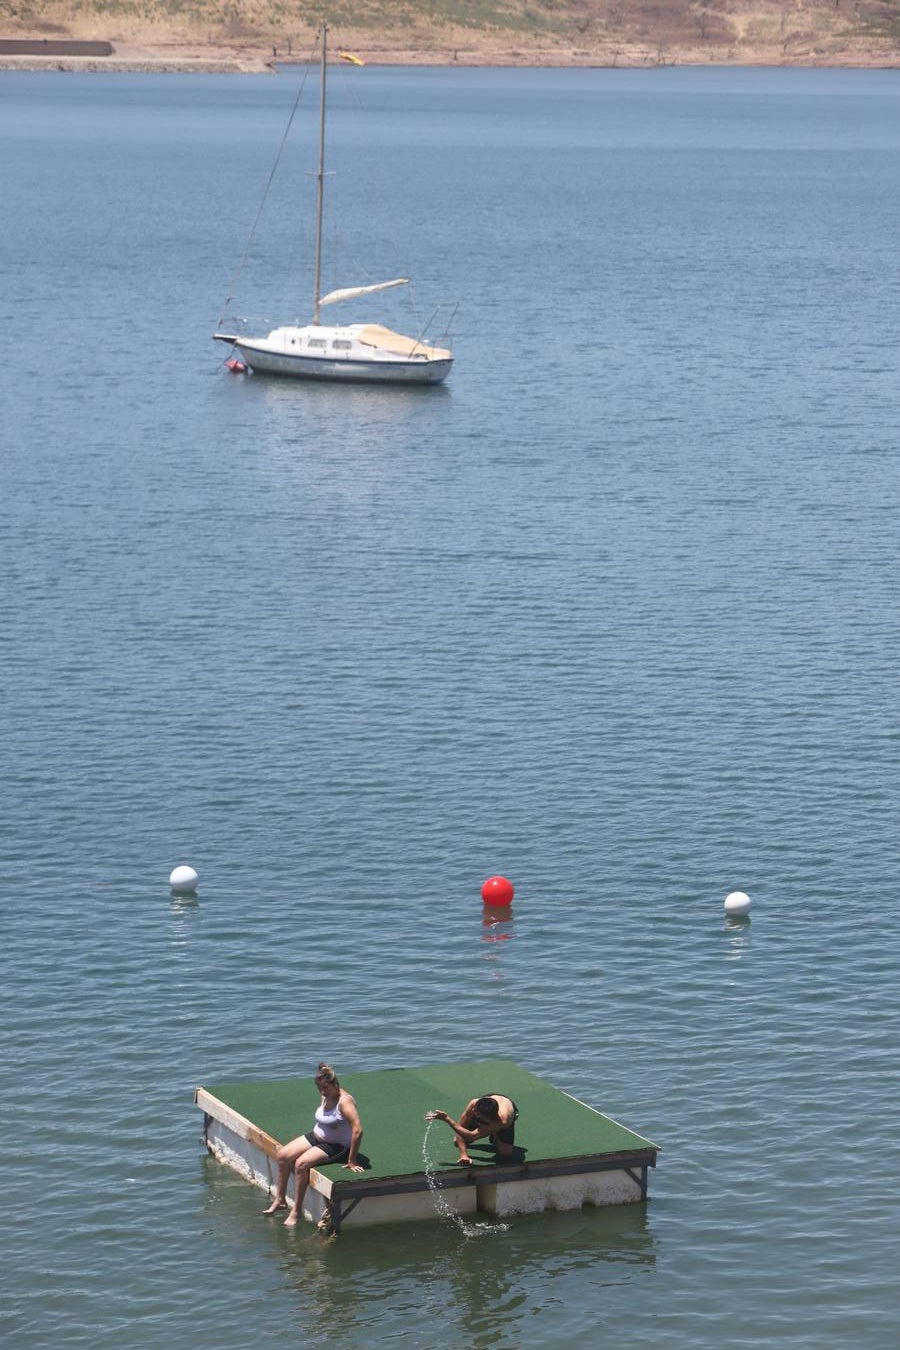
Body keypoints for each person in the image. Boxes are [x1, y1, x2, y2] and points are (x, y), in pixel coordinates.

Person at [263, 1062, 364, 1227]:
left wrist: (352, 1160)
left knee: (301, 1164)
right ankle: (280, 1200)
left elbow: (358, 1130)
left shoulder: (345, 1102)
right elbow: (324, 1076)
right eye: (320, 1089)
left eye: (326, 1088)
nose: (323, 1092)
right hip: (317, 1136)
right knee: (282, 1156)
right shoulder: (325, 1093)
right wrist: (322, 1069)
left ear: (335, 1084)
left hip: (337, 1146)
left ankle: (296, 1211)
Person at [425, 1093, 519, 1165]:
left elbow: (472, 1136)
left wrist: (447, 1119)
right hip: (491, 1103)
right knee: (457, 1141)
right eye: (475, 1110)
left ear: (489, 1118)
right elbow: (460, 1129)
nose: (473, 1111)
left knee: (505, 1154)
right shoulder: (474, 1104)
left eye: (477, 1113)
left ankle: (495, 1134)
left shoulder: (502, 1121)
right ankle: (492, 1132)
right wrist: (464, 1155)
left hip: (505, 1116)